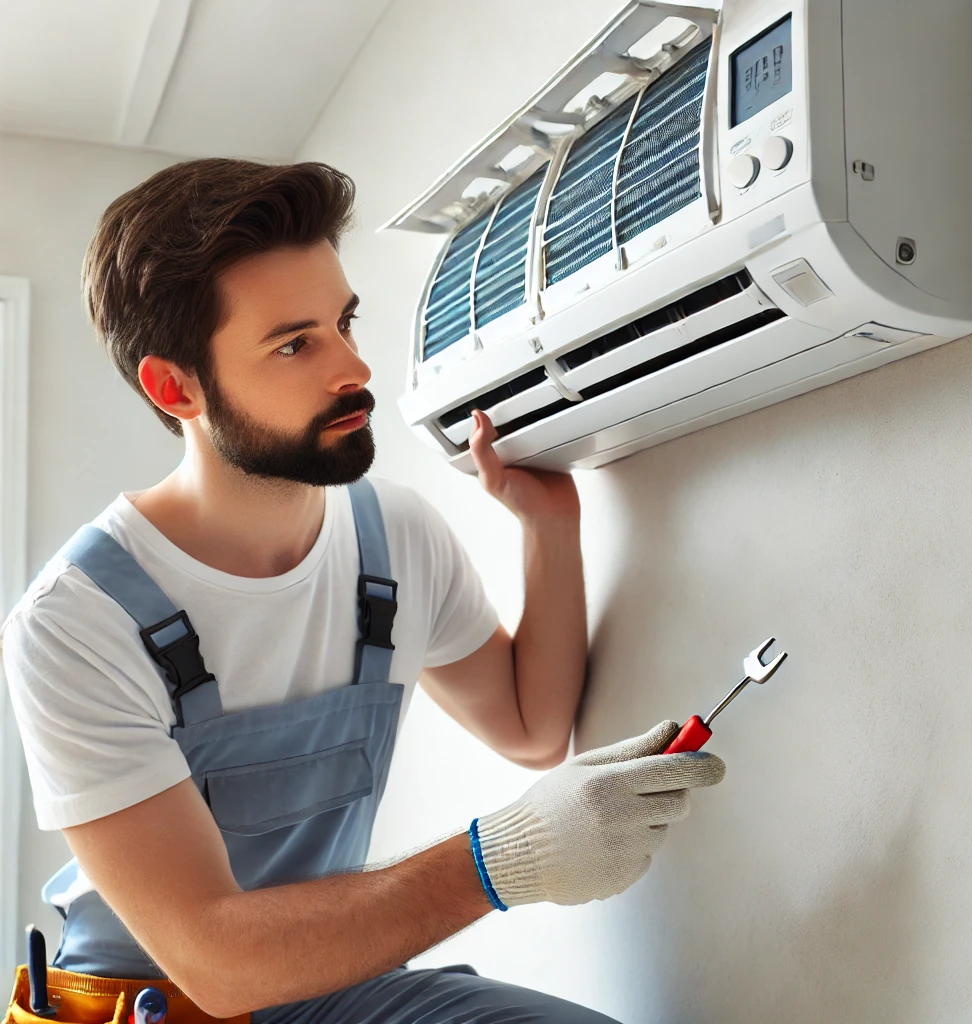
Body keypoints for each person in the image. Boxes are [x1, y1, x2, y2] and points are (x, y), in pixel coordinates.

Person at [0, 159, 726, 1024]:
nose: (355, 369)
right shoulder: (77, 622)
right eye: (295, 343)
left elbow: (532, 727)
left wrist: (552, 527)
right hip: (158, 1003)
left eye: (344, 323)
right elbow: (218, 962)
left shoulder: (394, 540)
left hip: (326, 987)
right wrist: (506, 857)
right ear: (176, 387)